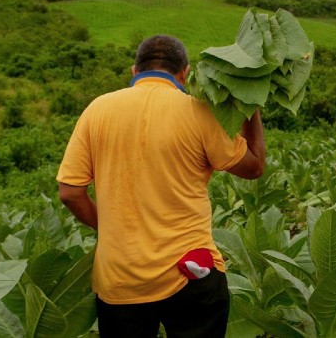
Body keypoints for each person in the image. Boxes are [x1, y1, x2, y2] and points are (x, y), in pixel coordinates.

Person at [57, 34, 266, 338]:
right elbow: (254, 166)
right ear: (185, 72)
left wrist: (110, 227)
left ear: (134, 70)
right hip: (190, 272)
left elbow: (70, 193)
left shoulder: (97, 110)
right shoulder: (199, 111)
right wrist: (252, 104)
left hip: (121, 277)